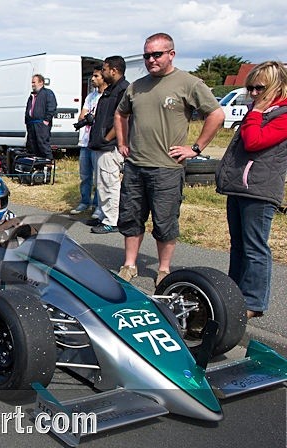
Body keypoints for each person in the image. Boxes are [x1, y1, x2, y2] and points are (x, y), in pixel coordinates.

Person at [114, 32, 224, 285]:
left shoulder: (189, 83)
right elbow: (120, 115)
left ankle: (163, 269)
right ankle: (129, 264)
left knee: (164, 222)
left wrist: (195, 148)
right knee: (131, 218)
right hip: (135, 166)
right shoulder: (136, 86)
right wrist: (121, 142)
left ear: (171, 54)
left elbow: (216, 114)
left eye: (157, 54)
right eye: (147, 55)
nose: (151, 59)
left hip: (167, 168)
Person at [216, 61, 287, 319]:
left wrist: (256, 113)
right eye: (251, 88)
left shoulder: (282, 115)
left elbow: (255, 141)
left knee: (255, 246)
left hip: (259, 189)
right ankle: (233, 293)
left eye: (260, 88)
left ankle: (254, 302)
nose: (254, 93)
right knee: (238, 244)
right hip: (239, 186)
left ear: (277, 87)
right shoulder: (258, 111)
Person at [85, 56, 130, 235]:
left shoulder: (123, 90)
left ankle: (112, 220)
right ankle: (103, 215)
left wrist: (107, 138)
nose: (102, 73)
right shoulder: (110, 89)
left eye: (104, 69)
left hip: (109, 146)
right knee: (101, 183)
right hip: (100, 144)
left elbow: (122, 117)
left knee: (110, 184)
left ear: (114, 70)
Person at [71, 68, 106, 216]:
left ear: (104, 78)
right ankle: (85, 201)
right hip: (85, 142)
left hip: (97, 143)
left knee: (99, 177)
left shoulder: (107, 97)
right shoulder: (90, 96)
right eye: (92, 75)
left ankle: (97, 205)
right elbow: (81, 117)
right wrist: (87, 119)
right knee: (85, 176)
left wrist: (92, 119)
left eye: (96, 76)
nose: (92, 79)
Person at [24, 74, 57, 160]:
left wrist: (46, 121)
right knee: (32, 147)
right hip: (31, 124)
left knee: (43, 145)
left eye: (34, 82)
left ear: (41, 82)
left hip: (41, 124)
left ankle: (48, 165)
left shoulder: (47, 93)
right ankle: (37, 167)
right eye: (32, 82)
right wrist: (27, 121)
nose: (32, 84)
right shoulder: (32, 96)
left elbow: (52, 107)